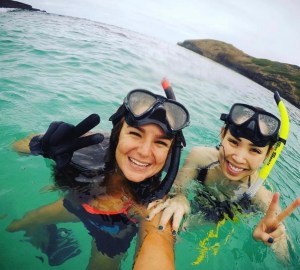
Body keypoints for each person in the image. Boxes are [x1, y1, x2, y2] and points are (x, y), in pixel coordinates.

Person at [6, 85, 190, 270]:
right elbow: (15, 145)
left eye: (160, 143)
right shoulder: (90, 144)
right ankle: (55, 242)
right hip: (79, 205)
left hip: (111, 233)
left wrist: (180, 198)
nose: (144, 152)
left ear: (170, 154)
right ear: (117, 134)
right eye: (135, 134)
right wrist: (41, 146)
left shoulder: (156, 203)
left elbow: (158, 248)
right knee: (19, 225)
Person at [147, 92, 300, 263]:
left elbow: (286, 261)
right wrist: (180, 197)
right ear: (222, 134)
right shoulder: (200, 158)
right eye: (234, 142)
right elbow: (176, 187)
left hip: (231, 218)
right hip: (200, 204)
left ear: (268, 154)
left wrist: (273, 240)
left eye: (255, 150)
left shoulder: (263, 197)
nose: (239, 158)